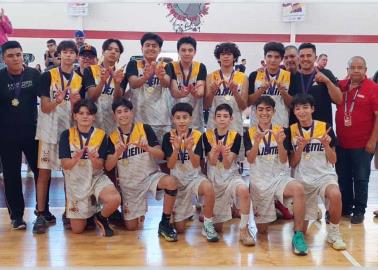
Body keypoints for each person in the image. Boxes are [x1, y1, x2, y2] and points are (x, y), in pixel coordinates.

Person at [105, 98, 179, 241]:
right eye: (119, 112)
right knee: (132, 227)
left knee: (171, 182)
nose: (123, 115)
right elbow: (108, 166)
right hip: (129, 184)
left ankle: (164, 223)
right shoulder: (112, 137)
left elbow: (161, 154)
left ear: (132, 113)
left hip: (150, 176)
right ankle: (119, 213)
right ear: (114, 116)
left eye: (126, 111)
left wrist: (147, 148)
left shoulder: (144, 128)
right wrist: (117, 153)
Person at [245, 95, 308, 255]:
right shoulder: (249, 133)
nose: (264, 113)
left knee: (298, 189)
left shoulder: (282, 131)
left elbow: (283, 160)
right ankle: (278, 209)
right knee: (262, 231)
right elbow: (250, 159)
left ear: (273, 111)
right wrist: (257, 142)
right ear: (255, 112)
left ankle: (298, 236)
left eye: (268, 109)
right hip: (259, 182)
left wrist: (280, 143)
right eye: (260, 109)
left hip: (279, 178)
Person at [33, 40, 82, 234]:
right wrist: (57, 100)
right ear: (59, 55)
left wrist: (74, 104)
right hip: (47, 131)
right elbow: (45, 108)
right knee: (44, 174)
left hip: (68, 134)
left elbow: (78, 114)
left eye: (72, 52)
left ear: (76, 56)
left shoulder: (79, 79)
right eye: (65, 52)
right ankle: (41, 213)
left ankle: (69, 212)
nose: (69, 55)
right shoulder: (47, 76)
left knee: (68, 175)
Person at [289, 93, 346, 250]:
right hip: (303, 179)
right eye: (298, 108)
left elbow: (333, 160)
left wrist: (326, 145)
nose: (302, 111)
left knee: (335, 194)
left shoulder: (325, 127)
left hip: (324, 176)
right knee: (303, 232)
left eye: (305, 107)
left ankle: (333, 233)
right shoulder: (291, 131)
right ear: (294, 112)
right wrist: (300, 148)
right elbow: (292, 163)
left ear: (312, 109)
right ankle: (308, 219)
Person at [59, 99, 121, 236]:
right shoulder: (66, 135)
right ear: (75, 116)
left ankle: (101, 217)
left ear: (94, 117)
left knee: (114, 199)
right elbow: (65, 165)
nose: (85, 116)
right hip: (76, 180)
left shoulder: (101, 135)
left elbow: (101, 165)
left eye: (88, 113)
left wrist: (94, 159)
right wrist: (75, 158)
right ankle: (90, 213)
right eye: (81, 113)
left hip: (95, 177)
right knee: (77, 230)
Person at [162, 102, 219, 242]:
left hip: (194, 178)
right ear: (173, 119)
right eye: (178, 117)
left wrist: (188, 148)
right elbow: (170, 164)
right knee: (180, 230)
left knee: (209, 188)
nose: (182, 121)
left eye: (185, 117)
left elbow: (195, 164)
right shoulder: (167, 137)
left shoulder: (198, 135)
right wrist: (176, 149)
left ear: (191, 119)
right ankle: (183, 213)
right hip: (177, 181)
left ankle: (207, 225)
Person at [0, 41, 41, 229]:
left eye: (18, 54)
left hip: (32, 133)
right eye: (11, 56)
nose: (16, 59)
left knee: (40, 173)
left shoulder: (34, 74)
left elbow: (47, 99)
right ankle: (16, 216)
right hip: (6, 135)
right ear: (3, 59)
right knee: (11, 176)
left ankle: (42, 211)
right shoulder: (0, 77)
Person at [202, 103, 255, 246]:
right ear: (214, 119)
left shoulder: (236, 137)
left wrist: (224, 154)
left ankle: (244, 230)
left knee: (244, 190)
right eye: (219, 116)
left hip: (231, 176)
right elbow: (212, 162)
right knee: (218, 229)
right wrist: (215, 151)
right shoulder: (206, 135)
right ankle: (208, 221)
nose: (222, 119)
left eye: (225, 116)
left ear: (231, 119)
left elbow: (227, 164)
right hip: (214, 179)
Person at [336, 56, 378, 224]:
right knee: (343, 177)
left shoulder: (373, 88)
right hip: (342, 143)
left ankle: (359, 210)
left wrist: (373, 141)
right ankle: (346, 208)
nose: (356, 70)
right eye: (352, 67)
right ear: (347, 70)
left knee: (361, 178)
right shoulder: (342, 86)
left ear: (365, 70)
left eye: (359, 67)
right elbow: (327, 82)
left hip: (363, 145)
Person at [125, 32, 172, 144]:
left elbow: (166, 83)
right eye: (147, 45)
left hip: (162, 119)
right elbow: (133, 84)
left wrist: (161, 77)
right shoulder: (133, 64)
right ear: (142, 48)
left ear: (159, 50)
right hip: (139, 119)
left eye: (154, 46)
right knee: (141, 155)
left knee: (160, 156)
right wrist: (145, 77)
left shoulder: (166, 66)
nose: (150, 48)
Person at [248, 42, 298, 128]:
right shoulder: (254, 75)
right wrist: (261, 90)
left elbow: (292, 105)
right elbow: (248, 102)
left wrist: (283, 92)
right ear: (264, 57)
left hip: (281, 125)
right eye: (269, 56)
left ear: (281, 59)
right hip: (257, 126)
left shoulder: (289, 76)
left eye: (277, 57)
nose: (273, 60)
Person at [205, 42, 248, 136]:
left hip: (235, 124)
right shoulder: (210, 76)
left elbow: (244, 106)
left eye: (229, 54)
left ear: (235, 57)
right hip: (214, 124)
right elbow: (206, 105)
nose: (226, 57)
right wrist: (212, 92)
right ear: (218, 57)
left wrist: (235, 92)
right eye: (222, 54)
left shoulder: (243, 77)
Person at [83, 38, 125, 134]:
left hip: (113, 121)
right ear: (103, 51)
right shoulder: (90, 70)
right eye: (110, 49)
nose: (113, 52)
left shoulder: (121, 73)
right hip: (94, 119)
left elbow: (118, 100)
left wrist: (117, 83)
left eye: (117, 50)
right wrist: (102, 82)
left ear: (119, 55)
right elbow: (91, 98)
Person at [296, 43, 342, 125]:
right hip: (298, 130)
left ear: (315, 58)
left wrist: (327, 81)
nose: (305, 58)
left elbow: (339, 100)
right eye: (302, 56)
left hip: (323, 129)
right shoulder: (293, 76)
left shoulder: (326, 73)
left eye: (309, 55)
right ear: (298, 58)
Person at [169, 36, 207, 132]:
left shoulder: (200, 67)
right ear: (178, 51)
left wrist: (195, 93)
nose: (187, 53)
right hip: (176, 119)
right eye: (183, 50)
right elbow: (174, 92)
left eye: (190, 50)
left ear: (195, 52)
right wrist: (181, 93)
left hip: (195, 119)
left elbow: (200, 92)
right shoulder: (171, 66)